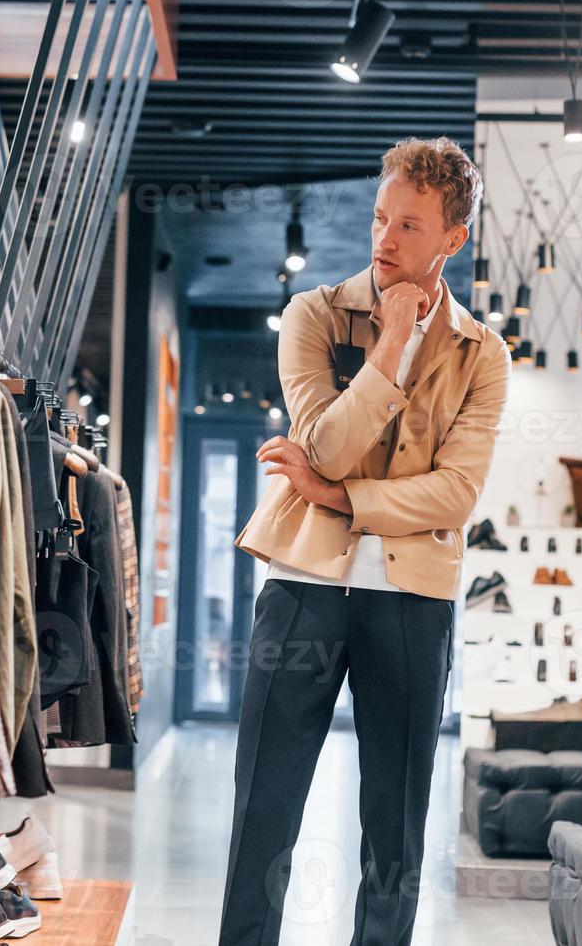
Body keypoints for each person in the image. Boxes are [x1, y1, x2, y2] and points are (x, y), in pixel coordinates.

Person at [221, 137, 510, 946]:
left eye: (411, 226)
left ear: (453, 238)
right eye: (382, 218)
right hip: (302, 589)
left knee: (396, 829)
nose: (385, 239)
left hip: (414, 605)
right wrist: (388, 342)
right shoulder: (314, 315)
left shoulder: (484, 354)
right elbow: (325, 443)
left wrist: (336, 496)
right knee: (263, 812)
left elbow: (455, 492)